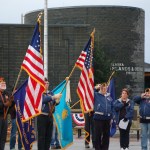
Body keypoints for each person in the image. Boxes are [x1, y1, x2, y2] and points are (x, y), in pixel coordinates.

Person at [37, 77, 62, 150]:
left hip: (50, 117)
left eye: (48, 83)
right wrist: (53, 97)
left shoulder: (50, 93)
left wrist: (57, 101)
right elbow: (44, 100)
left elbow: (53, 103)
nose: (46, 84)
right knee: (42, 137)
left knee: (48, 137)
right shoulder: (40, 93)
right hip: (42, 116)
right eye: (45, 83)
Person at [93, 83, 113, 150]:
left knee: (106, 135)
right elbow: (89, 93)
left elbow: (112, 107)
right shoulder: (96, 95)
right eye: (102, 88)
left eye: (105, 88)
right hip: (98, 117)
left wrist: (111, 118)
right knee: (97, 135)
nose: (104, 89)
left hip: (107, 118)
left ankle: (105, 148)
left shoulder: (109, 97)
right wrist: (95, 88)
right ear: (100, 88)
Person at [0, 77, 12, 150]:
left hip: (4, 118)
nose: (4, 84)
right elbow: (4, 105)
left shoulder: (6, 93)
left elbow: (9, 107)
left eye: (4, 83)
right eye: (2, 83)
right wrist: (5, 104)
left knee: (3, 137)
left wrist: (11, 102)